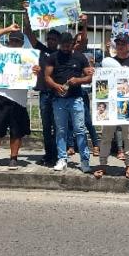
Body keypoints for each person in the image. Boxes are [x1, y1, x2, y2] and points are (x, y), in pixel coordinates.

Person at [0, 24, 37, 170]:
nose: (14, 43)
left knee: (16, 132)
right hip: (1, 97)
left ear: (22, 43)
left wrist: (35, 71)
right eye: (12, 40)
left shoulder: (28, 56)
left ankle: (13, 158)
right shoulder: (1, 50)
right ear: (8, 41)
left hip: (19, 100)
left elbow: (32, 75)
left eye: (17, 41)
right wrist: (8, 29)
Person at [44, 32, 94, 173]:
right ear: (60, 44)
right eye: (63, 45)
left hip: (76, 98)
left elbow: (89, 77)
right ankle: (62, 159)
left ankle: (85, 160)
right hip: (58, 100)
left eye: (68, 45)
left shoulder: (80, 57)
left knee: (80, 130)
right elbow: (47, 77)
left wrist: (78, 80)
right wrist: (56, 86)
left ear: (72, 44)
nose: (66, 48)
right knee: (60, 130)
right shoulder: (53, 57)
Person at [93, 33, 129, 180]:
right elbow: (100, 80)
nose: (120, 46)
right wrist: (93, 72)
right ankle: (102, 164)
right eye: (118, 44)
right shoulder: (109, 61)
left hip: (126, 105)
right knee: (106, 136)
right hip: (110, 106)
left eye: (123, 44)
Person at [24, 26, 62, 167]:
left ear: (58, 41)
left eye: (54, 39)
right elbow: (29, 34)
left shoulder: (61, 54)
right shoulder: (41, 50)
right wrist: (27, 16)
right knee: (46, 127)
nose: (51, 41)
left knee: (58, 126)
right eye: (49, 39)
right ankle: (48, 154)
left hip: (57, 94)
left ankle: (58, 155)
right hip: (45, 93)